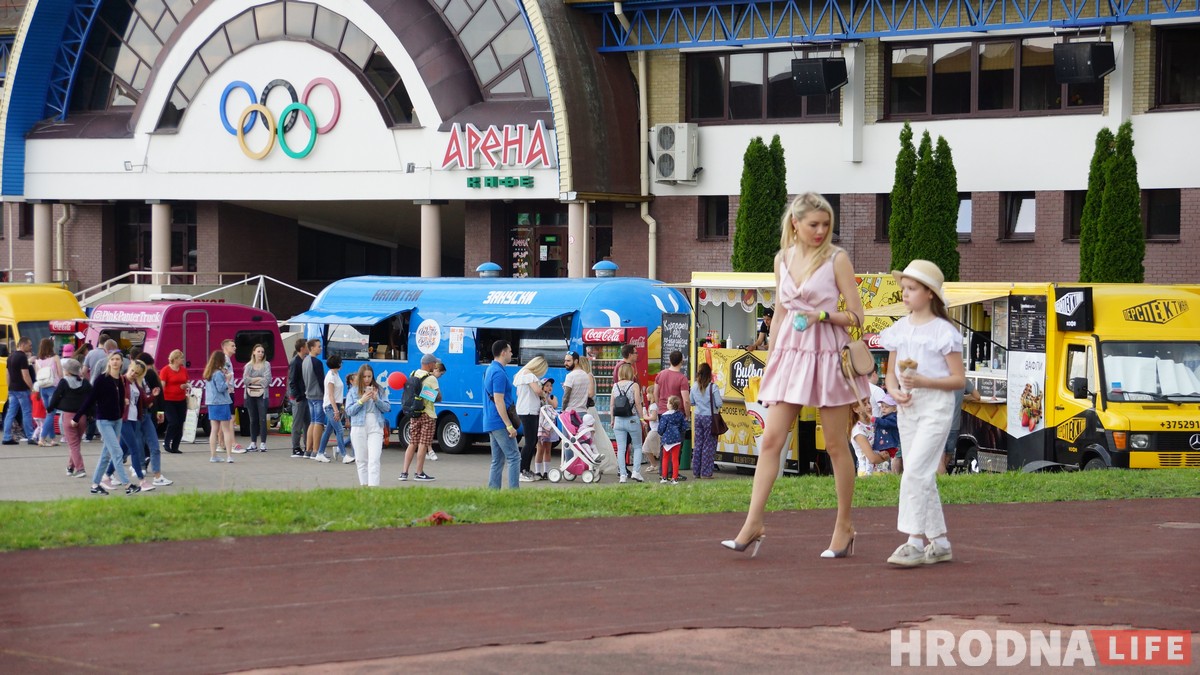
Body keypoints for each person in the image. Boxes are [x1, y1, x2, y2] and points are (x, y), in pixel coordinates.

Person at [722, 192, 868, 560]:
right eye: (813, 224)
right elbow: (782, 313)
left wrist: (822, 316)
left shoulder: (838, 259)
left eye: (826, 224)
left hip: (826, 353)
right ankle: (753, 522)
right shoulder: (782, 259)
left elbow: (857, 317)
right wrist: (771, 358)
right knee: (771, 440)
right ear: (795, 223)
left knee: (835, 444)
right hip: (789, 354)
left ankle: (844, 524)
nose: (821, 231)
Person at [879, 259, 967, 567]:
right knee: (923, 474)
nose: (905, 293)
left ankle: (914, 541)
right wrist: (894, 391)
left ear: (930, 293)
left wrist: (922, 382)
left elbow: (959, 379)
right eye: (903, 288)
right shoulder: (899, 329)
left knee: (915, 470)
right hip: (908, 406)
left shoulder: (944, 332)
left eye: (912, 288)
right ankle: (940, 543)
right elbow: (889, 374)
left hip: (935, 405)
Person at [75, 351, 140, 495]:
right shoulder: (101, 380)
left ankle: (95, 485)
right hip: (104, 421)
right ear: (109, 362)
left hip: (117, 421)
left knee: (106, 455)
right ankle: (128, 485)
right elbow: (90, 399)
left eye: (118, 359)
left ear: (122, 362)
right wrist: (77, 417)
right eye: (113, 359)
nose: (115, 362)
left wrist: (122, 407)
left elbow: (122, 400)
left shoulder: (121, 381)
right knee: (117, 452)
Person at [400, 356, 444, 482]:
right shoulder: (431, 379)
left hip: (414, 413)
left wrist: (421, 393)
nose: (435, 365)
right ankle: (419, 473)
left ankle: (404, 472)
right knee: (423, 444)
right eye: (434, 363)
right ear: (430, 364)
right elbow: (438, 397)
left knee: (412, 442)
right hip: (427, 414)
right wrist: (427, 393)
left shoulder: (413, 373)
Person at [347, 364, 391, 487]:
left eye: (369, 376)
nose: (367, 379)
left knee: (374, 459)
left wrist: (377, 399)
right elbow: (349, 411)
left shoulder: (380, 390)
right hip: (358, 425)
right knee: (361, 459)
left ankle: (374, 488)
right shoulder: (353, 391)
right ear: (360, 377)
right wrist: (361, 401)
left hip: (376, 424)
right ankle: (364, 486)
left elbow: (387, 408)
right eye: (364, 376)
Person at [484, 340, 520, 489]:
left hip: (491, 420)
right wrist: (509, 425)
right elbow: (499, 400)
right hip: (500, 421)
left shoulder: (491, 369)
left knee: (497, 460)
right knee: (514, 457)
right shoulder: (498, 373)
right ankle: (514, 492)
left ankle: (493, 492)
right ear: (503, 352)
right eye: (510, 351)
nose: (512, 354)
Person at [49, 358, 92, 477]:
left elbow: (56, 396)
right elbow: (91, 399)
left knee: (73, 445)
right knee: (76, 444)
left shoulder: (64, 382)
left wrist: (50, 408)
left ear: (67, 371)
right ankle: (70, 467)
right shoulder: (85, 383)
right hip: (82, 417)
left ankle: (80, 469)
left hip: (68, 416)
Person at [134, 354, 172, 487]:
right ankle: (141, 465)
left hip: (148, 413)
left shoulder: (149, 375)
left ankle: (150, 470)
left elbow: (156, 394)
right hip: (143, 414)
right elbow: (158, 395)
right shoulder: (147, 375)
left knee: (145, 442)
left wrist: (157, 408)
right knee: (141, 442)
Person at [118, 360, 157, 492]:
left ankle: (106, 476)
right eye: (133, 370)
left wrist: (153, 396)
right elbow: (112, 397)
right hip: (124, 420)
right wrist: (121, 401)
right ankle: (142, 480)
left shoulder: (135, 384)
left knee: (122, 451)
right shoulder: (121, 381)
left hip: (134, 420)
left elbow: (144, 401)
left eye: (137, 373)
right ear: (129, 367)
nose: (134, 374)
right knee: (134, 449)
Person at [513, 355, 548, 482]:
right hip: (529, 411)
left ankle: (526, 469)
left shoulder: (520, 375)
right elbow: (537, 390)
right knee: (530, 442)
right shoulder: (529, 375)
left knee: (531, 441)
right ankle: (522, 470)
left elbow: (518, 393)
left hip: (524, 410)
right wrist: (544, 396)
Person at [610, 362, 647, 484]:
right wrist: (642, 419)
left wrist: (612, 419)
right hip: (632, 419)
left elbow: (612, 404)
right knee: (637, 446)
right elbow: (637, 403)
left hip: (618, 420)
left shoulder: (615, 386)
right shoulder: (634, 385)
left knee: (621, 448)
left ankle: (622, 475)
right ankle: (636, 472)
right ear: (631, 373)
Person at [577, 356, 613, 469]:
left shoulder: (588, 375)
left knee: (592, 436)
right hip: (585, 409)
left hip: (588, 410)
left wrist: (577, 394)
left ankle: (597, 461)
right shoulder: (584, 376)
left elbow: (591, 393)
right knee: (587, 436)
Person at [689, 362, 724, 479]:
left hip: (698, 416)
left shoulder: (694, 386)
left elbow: (692, 402)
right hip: (710, 417)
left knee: (698, 444)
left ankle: (696, 471)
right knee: (709, 445)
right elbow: (719, 403)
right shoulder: (713, 387)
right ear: (709, 374)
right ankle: (706, 472)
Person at [3, 336, 37, 446]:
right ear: (23, 344)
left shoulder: (11, 356)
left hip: (12, 389)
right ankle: (30, 436)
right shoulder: (22, 357)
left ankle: (6, 437)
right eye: (29, 345)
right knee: (26, 412)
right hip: (22, 389)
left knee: (10, 413)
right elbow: (25, 375)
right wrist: (32, 388)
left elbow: (7, 374)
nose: (31, 347)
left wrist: (9, 387)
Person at [940, 380, 980, 474]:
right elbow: (977, 396)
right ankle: (942, 477)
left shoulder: (940, 378)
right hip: (954, 426)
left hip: (940, 425)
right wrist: (963, 397)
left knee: (940, 457)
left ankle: (940, 478)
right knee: (948, 455)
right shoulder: (963, 380)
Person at [204, 350, 236, 464]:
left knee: (214, 430)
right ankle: (229, 456)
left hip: (211, 403)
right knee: (226, 430)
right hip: (222, 403)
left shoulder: (209, 373)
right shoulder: (218, 373)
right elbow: (221, 388)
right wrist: (227, 379)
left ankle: (213, 455)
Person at [315, 354, 348, 463]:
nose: (342, 364)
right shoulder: (331, 376)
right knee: (339, 430)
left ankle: (320, 453)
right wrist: (336, 410)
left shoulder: (335, 374)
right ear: (338, 364)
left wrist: (340, 407)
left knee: (328, 431)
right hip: (330, 406)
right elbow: (330, 395)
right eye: (341, 362)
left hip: (335, 405)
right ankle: (344, 455)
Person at [158, 349, 190, 454]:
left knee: (180, 422)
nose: (183, 360)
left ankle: (175, 446)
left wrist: (185, 386)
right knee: (173, 421)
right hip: (168, 400)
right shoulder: (165, 370)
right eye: (181, 358)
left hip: (181, 399)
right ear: (175, 359)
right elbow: (162, 385)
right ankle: (166, 442)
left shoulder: (183, 370)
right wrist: (159, 399)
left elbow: (187, 382)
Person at [242, 343, 271, 452]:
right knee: (252, 419)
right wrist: (259, 378)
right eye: (258, 351)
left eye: (262, 352)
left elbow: (268, 379)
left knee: (262, 419)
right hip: (250, 395)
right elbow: (245, 380)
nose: (260, 354)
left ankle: (263, 443)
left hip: (262, 395)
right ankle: (253, 443)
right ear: (254, 352)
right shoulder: (248, 366)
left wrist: (252, 379)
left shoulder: (266, 365)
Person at [34, 338, 62, 446]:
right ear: (51, 346)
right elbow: (60, 373)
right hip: (53, 387)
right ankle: (42, 438)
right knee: (51, 414)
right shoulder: (55, 358)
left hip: (42, 388)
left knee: (48, 413)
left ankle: (53, 439)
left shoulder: (37, 360)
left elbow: (38, 375)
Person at [654, 350, 691, 430]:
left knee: (665, 439)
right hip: (677, 413)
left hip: (662, 412)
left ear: (669, 360)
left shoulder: (660, 374)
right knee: (678, 439)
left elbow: (655, 393)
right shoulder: (682, 378)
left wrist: (660, 406)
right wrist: (687, 415)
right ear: (682, 361)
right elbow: (686, 401)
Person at [220, 339, 245, 454]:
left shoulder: (226, 359)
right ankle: (232, 443)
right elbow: (223, 375)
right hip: (228, 391)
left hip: (227, 391)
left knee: (224, 419)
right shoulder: (225, 360)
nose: (235, 347)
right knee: (230, 418)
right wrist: (228, 381)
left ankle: (221, 444)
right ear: (225, 347)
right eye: (232, 346)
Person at [302, 339, 326, 459]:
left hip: (309, 394)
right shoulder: (317, 362)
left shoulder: (305, 361)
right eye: (318, 346)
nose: (320, 348)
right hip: (318, 395)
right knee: (318, 422)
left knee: (312, 421)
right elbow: (321, 381)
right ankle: (316, 450)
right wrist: (326, 394)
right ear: (312, 348)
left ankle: (308, 449)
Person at [288, 338, 309, 458]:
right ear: (302, 348)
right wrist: (297, 396)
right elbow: (292, 381)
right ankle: (295, 447)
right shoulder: (295, 362)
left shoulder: (304, 360)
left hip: (305, 396)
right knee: (297, 423)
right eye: (307, 346)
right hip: (299, 397)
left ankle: (308, 445)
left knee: (308, 422)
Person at [658, 395, 686, 484]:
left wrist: (661, 434)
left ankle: (664, 477)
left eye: (668, 402)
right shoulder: (680, 415)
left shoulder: (665, 416)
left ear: (670, 405)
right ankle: (675, 478)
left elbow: (661, 429)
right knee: (675, 459)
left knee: (665, 458)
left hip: (666, 439)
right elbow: (684, 427)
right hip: (677, 439)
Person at [534, 377, 557, 480]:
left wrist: (547, 397)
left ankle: (546, 472)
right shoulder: (537, 398)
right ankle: (537, 471)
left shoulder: (552, 397)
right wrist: (542, 396)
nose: (549, 387)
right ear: (542, 387)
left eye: (550, 386)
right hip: (541, 426)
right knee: (540, 449)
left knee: (548, 449)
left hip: (550, 426)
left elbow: (555, 405)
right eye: (547, 385)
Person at [642, 383, 660, 473]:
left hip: (654, 431)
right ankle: (654, 465)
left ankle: (654, 465)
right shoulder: (654, 405)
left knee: (646, 448)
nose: (647, 395)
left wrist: (645, 416)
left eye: (648, 393)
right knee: (652, 448)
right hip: (654, 430)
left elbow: (653, 417)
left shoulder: (653, 406)